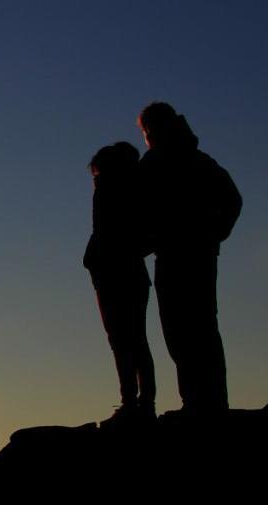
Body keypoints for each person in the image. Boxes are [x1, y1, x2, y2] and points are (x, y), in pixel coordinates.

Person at [137, 102, 241, 414]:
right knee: (198, 326)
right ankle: (206, 401)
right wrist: (215, 233)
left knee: (185, 328)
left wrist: (215, 232)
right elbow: (232, 198)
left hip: (180, 254)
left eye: (145, 131)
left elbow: (232, 199)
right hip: (194, 252)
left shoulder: (159, 163)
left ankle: (203, 403)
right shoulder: (197, 160)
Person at [84, 141, 157, 426]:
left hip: (116, 273)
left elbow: (108, 234)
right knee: (131, 340)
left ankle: (136, 404)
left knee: (127, 340)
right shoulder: (132, 192)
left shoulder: (113, 192)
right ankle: (138, 403)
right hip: (120, 272)